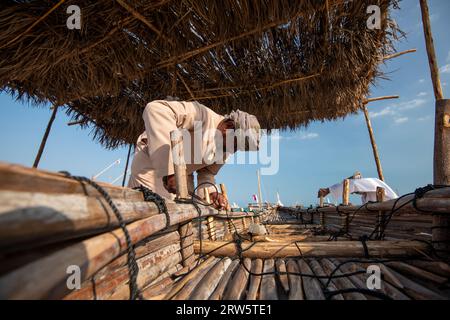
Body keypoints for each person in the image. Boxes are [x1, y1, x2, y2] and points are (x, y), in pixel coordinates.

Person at [128, 99, 261, 209]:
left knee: (181, 215)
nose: (235, 150)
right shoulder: (202, 115)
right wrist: (169, 170)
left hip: (181, 178)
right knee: (153, 211)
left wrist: (212, 193)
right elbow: (155, 109)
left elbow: (207, 173)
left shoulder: (226, 148)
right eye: (237, 144)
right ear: (229, 128)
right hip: (150, 164)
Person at [318, 172, 398, 205]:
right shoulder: (365, 195)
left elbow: (352, 183)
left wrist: (328, 190)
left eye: (354, 191)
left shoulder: (372, 182)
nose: (355, 193)